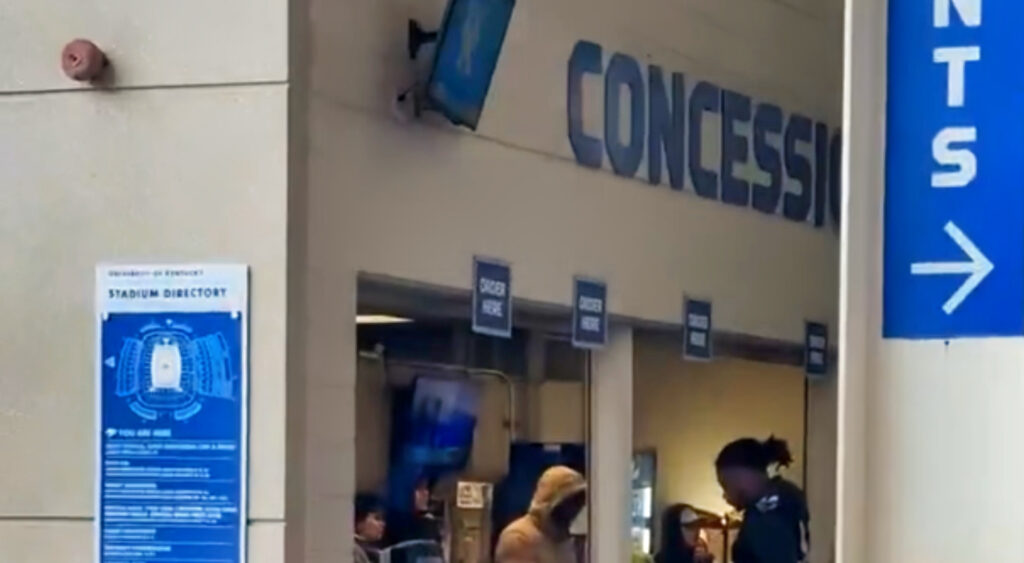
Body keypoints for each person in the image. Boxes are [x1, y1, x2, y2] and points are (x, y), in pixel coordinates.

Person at [715, 436, 809, 563]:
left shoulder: (766, 519)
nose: (726, 495)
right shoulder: (786, 497)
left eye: (726, 485)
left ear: (741, 476)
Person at [495, 465, 587, 563]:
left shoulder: (565, 539)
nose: (574, 509)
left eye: (578, 502)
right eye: (570, 502)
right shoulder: (519, 537)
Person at [387, 475, 441, 545]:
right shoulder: (392, 525)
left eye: (426, 488)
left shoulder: (429, 525)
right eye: (419, 489)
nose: (426, 493)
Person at [354, 493, 387, 563]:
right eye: (377, 518)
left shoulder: (377, 553)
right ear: (360, 522)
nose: (382, 524)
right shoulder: (354, 551)